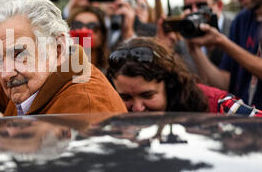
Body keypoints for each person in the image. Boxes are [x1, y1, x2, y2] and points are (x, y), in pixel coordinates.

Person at [186, 0, 262, 109]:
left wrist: (223, 42)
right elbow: (223, 84)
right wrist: (194, 48)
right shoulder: (241, 20)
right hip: (244, 128)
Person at [107, 37, 262, 117]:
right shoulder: (106, 113)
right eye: (125, 97)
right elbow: (81, 77)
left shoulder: (218, 106)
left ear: (169, 84)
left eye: (147, 95)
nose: (138, 108)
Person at [182, 0, 233, 66]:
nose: (194, 11)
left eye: (201, 5)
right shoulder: (183, 42)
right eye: (188, 7)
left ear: (219, 5)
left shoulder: (236, 29)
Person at [67, 5, 109, 72]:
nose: (84, 30)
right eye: (77, 25)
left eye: (92, 26)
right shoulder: (57, 69)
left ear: (102, 35)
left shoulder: (111, 73)